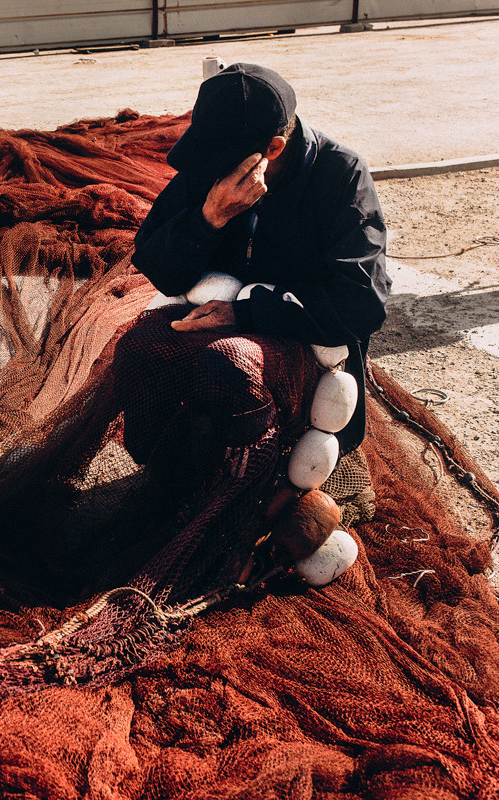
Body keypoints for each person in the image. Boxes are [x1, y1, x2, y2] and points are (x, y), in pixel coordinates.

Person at [115, 63, 391, 500]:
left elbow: (360, 305)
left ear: (273, 148)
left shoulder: (340, 176)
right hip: (218, 318)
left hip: (302, 336)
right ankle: (172, 473)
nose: (207, 174)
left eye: (217, 163)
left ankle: (248, 486)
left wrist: (244, 312)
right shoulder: (213, 172)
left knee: (230, 362)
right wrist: (210, 219)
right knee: (137, 347)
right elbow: (154, 261)